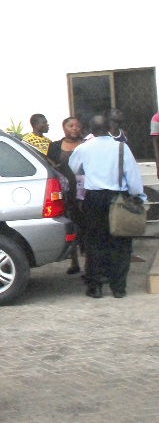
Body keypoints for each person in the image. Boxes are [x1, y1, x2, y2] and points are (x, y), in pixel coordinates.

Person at [69, 115, 145, 299]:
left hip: (93, 198)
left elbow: (73, 167)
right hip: (118, 198)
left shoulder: (84, 148)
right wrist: (139, 196)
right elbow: (132, 175)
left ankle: (95, 286)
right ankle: (118, 287)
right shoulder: (121, 147)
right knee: (120, 242)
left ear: (91, 130)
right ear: (110, 128)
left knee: (95, 242)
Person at [47, 117, 86, 275]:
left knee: (85, 227)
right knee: (69, 226)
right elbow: (50, 166)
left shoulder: (87, 145)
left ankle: (88, 261)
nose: (74, 129)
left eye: (77, 126)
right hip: (64, 193)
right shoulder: (55, 146)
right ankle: (73, 261)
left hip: (83, 193)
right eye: (71, 126)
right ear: (64, 128)